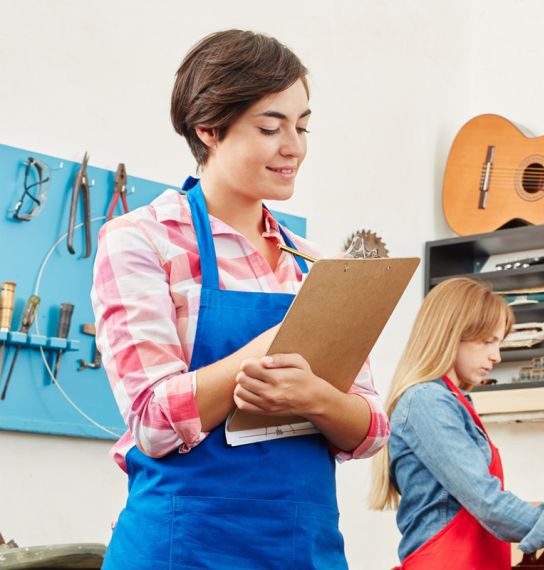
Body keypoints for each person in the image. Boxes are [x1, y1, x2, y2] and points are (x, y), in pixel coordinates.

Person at [93, 30, 388, 569]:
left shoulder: (314, 266)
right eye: (271, 127)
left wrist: (314, 399)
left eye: (302, 126)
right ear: (209, 128)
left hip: (304, 548)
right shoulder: (142, 240)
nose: (294, 146)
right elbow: (154, 421)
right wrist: (265, 352)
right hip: (182, 547)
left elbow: (371, 428)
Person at [369, 278, 544, 569]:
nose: (496, 356)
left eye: (499, 343)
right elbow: (487, 503)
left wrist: (535, 510)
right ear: (451, 334)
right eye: (487, 342)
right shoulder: (426, 402)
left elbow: (458, 504)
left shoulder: (452, 401)